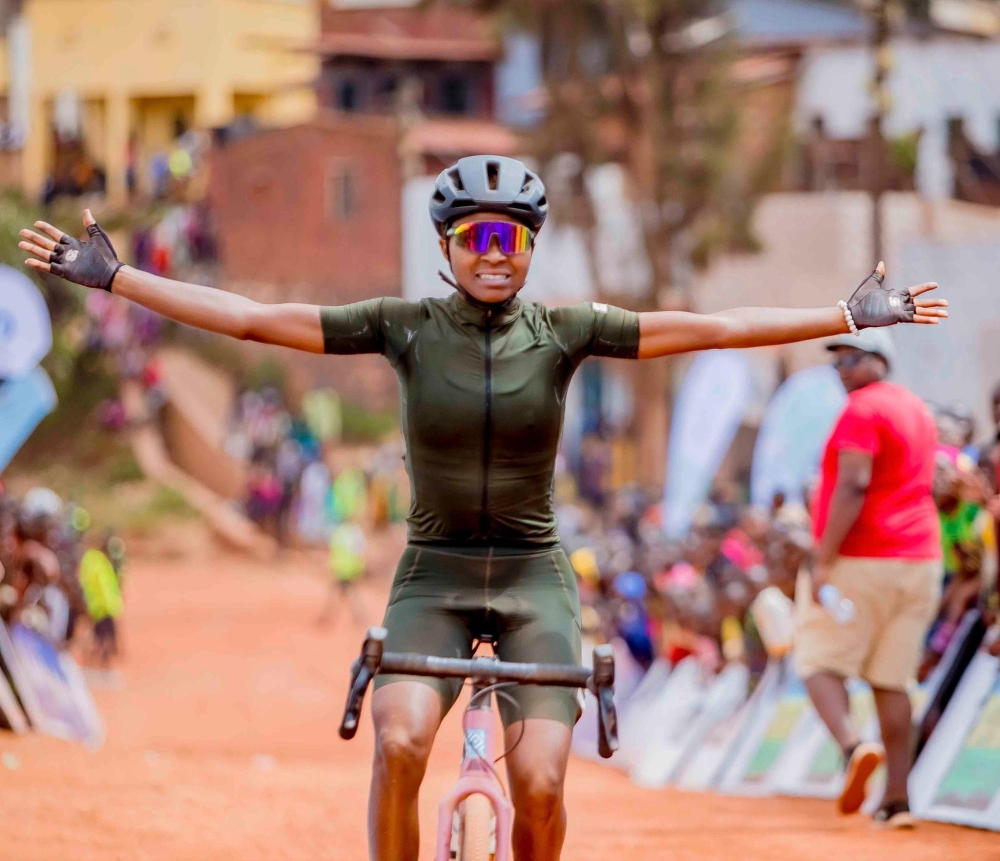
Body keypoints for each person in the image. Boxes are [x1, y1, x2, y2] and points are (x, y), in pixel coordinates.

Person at [19, 154, 947, 861]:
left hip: (536, 577)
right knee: (400, 735)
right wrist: (118, 279)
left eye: (512, 238)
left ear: (531, 249)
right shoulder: (405, 325)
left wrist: (845, 316)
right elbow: (258, 320)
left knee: (542, 780)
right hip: (435, 572)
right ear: (449, 247)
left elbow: (705, 329)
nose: (496, 254)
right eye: (477, 237)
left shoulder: (567, 331)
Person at [797, 329, 942, 829]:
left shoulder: (862, 410)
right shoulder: (919, 410)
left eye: (851, 360)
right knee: (891, 679)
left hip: (864, 557)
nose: (842, 371)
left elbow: (855, 483)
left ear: (880, 361)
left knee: (817, 661)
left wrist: (824, 558)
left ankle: (854, 746)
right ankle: (898, 800)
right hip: (921, 559)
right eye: (836, 363)